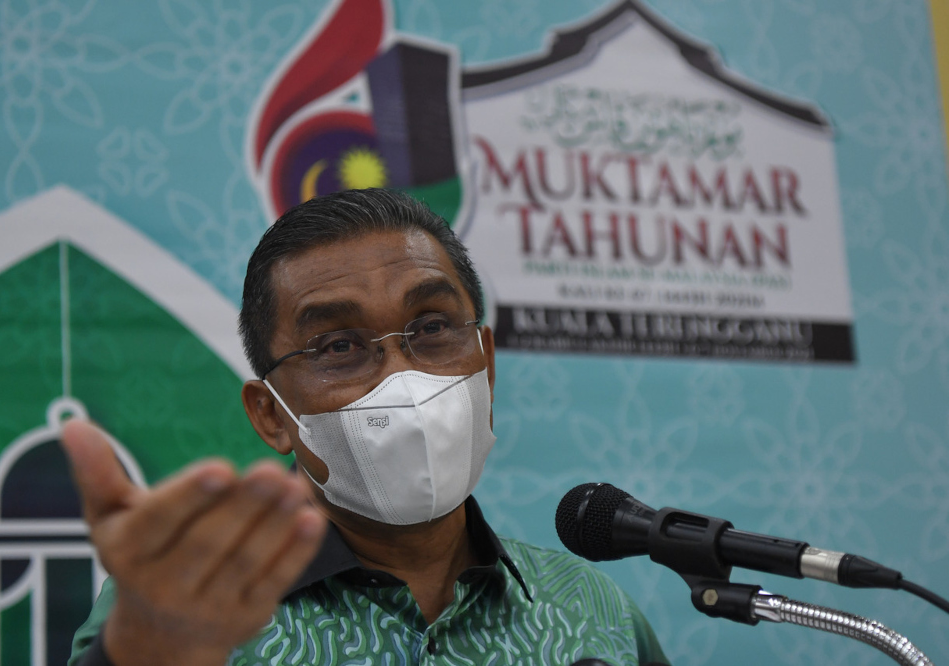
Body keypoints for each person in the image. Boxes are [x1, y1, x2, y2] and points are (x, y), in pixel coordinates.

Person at [64, 188, 669, 666]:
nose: (403, 378)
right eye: (339, 345)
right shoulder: (187, 611)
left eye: (431, 327)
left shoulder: (592, 610)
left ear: (486, 364)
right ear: (272, 414)